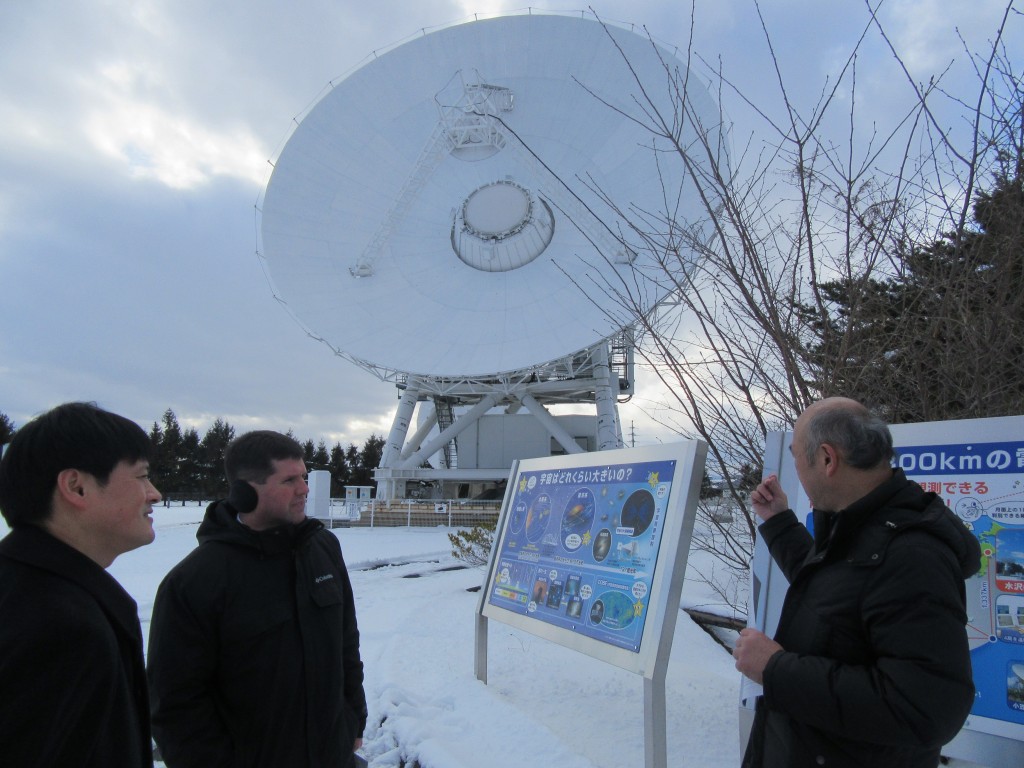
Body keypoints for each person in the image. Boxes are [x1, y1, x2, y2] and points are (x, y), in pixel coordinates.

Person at [735, 397, 981, 767]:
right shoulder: (863, 524)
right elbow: (836, 588)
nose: (797, 468)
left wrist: (776, 669)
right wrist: (778, 521)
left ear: (827, 459)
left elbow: (925, 709)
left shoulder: (912, 556)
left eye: (797, 456)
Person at [148, 430, 367, 767]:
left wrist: (353, 719)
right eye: (289, 480)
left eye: (305, 477)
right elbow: (176, 704)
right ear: (244, 493)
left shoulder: (322, 548)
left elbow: (345, 643)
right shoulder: (195, 580)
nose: (304, 489)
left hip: (332, 755)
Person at [0, 402, 161, 767]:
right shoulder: (57, 627)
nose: (154, 493)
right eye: (141, 477)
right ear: (76, 486)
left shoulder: (30, 590)